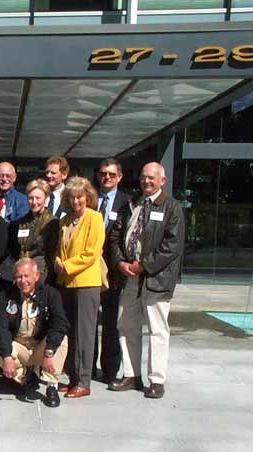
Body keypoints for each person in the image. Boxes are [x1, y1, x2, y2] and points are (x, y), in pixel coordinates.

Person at [109, 162, 184, 399]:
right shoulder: (131, 205)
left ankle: (157, 380)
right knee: (126, 325)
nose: (146, 181)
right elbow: (115, 237)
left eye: (152, 178)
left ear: (162, 180)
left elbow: (172, 246)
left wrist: (144, 264)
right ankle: (131, 375)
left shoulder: (172, 208)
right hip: (130, 278)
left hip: (156, 279)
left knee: (157, 329)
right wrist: (121, 262)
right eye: (143, 177)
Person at [0, 258, 69, 408]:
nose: (23, 281)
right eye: (19, 277)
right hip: (20, 345)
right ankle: (25, 377)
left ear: (36, 276)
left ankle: (51, 385)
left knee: (61, 340)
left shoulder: (50, 294)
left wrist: (49, 352)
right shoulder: (5, 296)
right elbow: (1, 328)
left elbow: (59, 324)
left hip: (40, 346)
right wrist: (7, 356)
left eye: (27, 276)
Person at [54, 176, 105, 399]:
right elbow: (61, 249)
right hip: (67, 282)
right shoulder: (64, 221)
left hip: (86, 283)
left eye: (80, 197)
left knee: (84, 334)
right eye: (72, 197)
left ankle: (84, 381)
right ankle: (73, 378)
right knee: (71, 333)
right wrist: (58, 261)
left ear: (88, 197)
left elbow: (92, 252)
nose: (76, 201)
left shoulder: (94, 218)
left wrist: (66, 266)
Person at [93, 158, 130, 383]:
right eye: (103, 173)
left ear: (119, 177)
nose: (106, 177)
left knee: (111, 322)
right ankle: (87, 365)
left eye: (111, 174)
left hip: (113, 271)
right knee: (87, 322)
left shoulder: (127, 202)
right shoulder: (88, 198)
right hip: (89, 268)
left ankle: (109, 369)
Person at [6, 179, 59, 284]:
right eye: (31, 198)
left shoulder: (52, 222)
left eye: (38, 198)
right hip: (21, 274)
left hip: (41, 273)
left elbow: (51, 252)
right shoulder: (20, 222)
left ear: (46, 199)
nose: (34, 202)